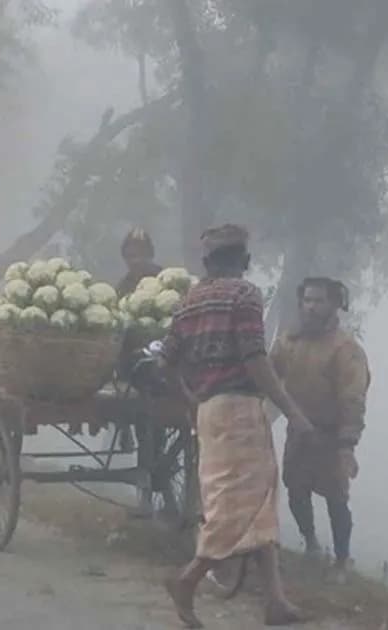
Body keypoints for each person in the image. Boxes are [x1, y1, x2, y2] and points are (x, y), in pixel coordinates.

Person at [158, 224, 312, 627]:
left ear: (207, 262)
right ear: (244, 260)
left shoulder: (188, 301)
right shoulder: (245, 294)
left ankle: (275, 601)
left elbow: (167, 360)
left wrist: (189, 396)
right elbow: (254, 359)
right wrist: (292, 410)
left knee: (259, 501)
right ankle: (188, 579)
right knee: (235, 506)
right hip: (240, 410)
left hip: (209, 410)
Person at [271, 277, 371, 582]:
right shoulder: (289, 340)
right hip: (299, 432)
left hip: (332, 434)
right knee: (295, 488)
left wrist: (347, 445)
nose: (312, 307)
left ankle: (342, 559)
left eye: (319, 301)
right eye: (308, 300)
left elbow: (353, 397)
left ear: (334, 304)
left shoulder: (346, 348)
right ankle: (311, 544)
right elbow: (269, 376)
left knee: (336, 498)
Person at [112, 228, 163, 454]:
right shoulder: (123, 286)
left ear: (150, 254)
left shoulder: (164, 280)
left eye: (141, 255)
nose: (136, 261)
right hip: (133, 357)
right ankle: (126, 428)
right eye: (131, 256)